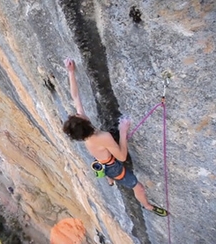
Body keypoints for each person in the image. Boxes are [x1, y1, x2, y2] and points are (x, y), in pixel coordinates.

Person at [62, 57, 168, 217]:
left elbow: (75, 97)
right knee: (138, 187)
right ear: (86, 125)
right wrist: (123, 130)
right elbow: (122, 156)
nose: (80, 113)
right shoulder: (102, 137)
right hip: (113, 166)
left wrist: (70, 73)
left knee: (101, 164)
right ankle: (147, 206)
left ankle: (108, 179)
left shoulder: (83, 132)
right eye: (80, 116)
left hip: (100, 159)